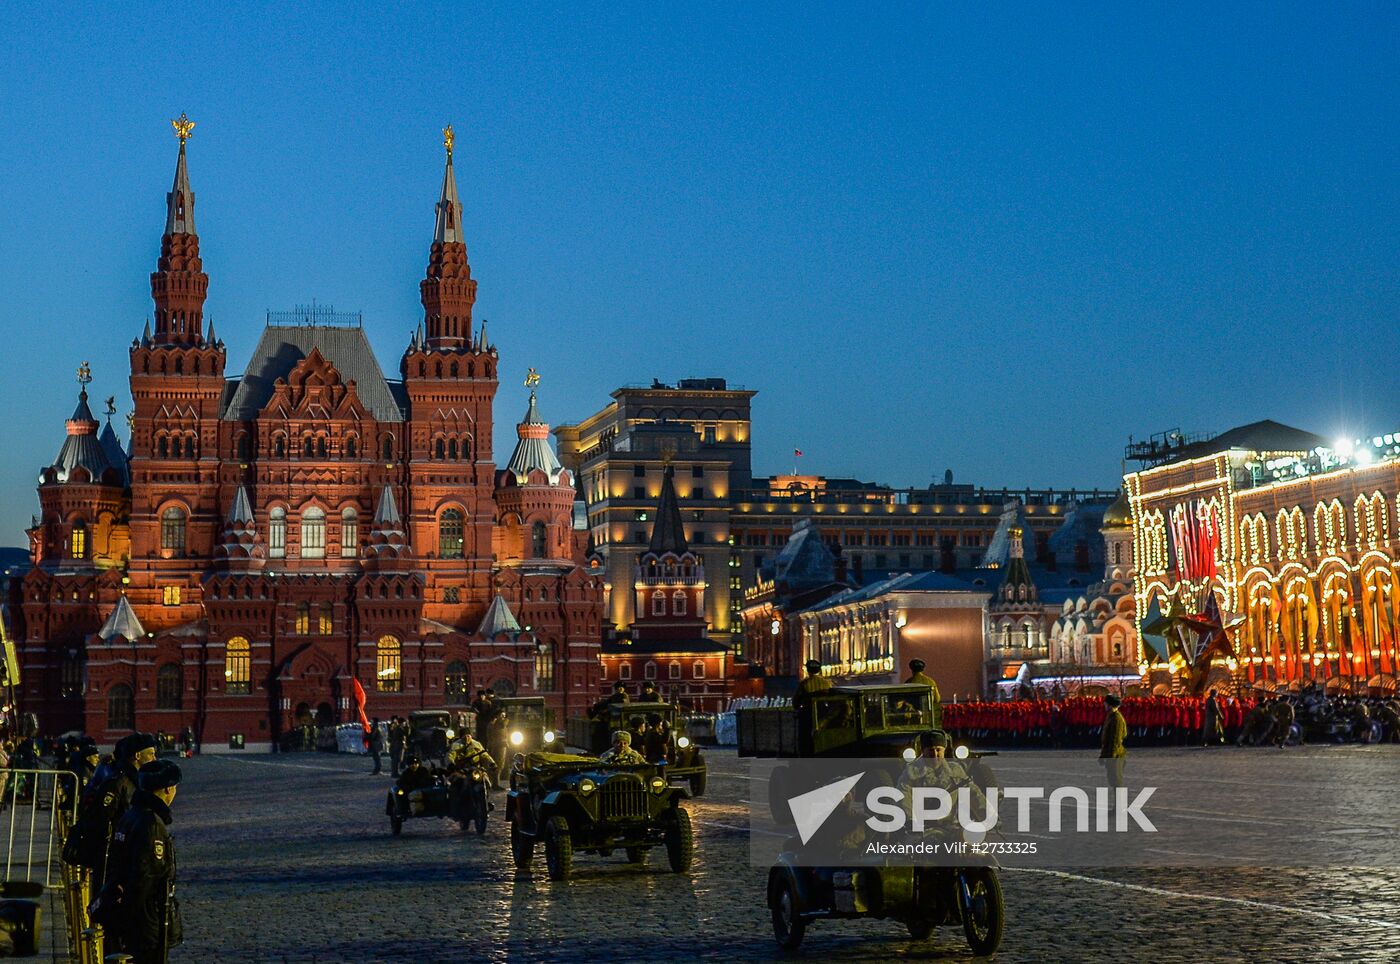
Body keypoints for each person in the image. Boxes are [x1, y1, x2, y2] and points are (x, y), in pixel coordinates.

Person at [97, 759, 183, 964]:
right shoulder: (152, 823)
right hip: (147, 921)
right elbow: (146, 877)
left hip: (135, 918)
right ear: (168, 789)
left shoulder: (131, 815)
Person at [66, 733, 157, 892]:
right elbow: (101, 821)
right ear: (137, 755)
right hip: (112, 857)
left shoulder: (136, 781)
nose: (154, 759)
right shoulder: (117, 782)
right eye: (151, 754)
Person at [1099, 695, 1127, 804]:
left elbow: (1115, 740)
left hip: (1116, 756)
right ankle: (1117, 806)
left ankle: (1120, 806)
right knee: (1113, 781)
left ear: (1110, 705)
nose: (1104, 705)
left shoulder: (1116, 718)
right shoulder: (1111, 716)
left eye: (1105, 703)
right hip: (1112, 754)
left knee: (1117, 781)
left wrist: (1110, 757)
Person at [905, 658, 943, 726]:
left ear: (911, 669)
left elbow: (905, 701)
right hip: (929, 717)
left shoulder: (908, 683)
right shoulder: (931, 681)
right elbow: (937, 699)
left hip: (914, 718)